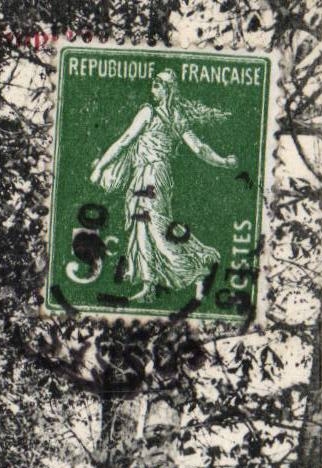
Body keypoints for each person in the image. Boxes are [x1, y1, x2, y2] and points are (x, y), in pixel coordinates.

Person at [90, 69, 237, 299]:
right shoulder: (177, 117)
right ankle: (149, 284)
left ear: (167, 90)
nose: (153, 85)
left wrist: (100, 167)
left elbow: (125, 141)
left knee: (155, 226)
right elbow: (199, 149)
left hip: (151, 175)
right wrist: (224, 162)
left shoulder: (148, 112)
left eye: (158, 83)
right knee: (145, 225)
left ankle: (196, 269)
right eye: (154, 81)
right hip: (153, 175)